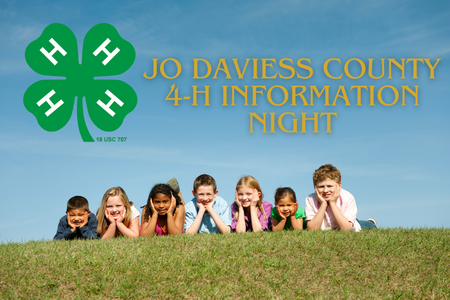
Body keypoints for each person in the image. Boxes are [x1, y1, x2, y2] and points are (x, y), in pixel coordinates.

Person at [305, 164, 377, 231]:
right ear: (315, 187)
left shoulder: (348, 197)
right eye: (321, 187)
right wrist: (323, 204)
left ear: (339, 185)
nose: (325, 190)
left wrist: (332, 203)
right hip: (338, 222)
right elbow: (312, 229)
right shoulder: (310, 199)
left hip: (350, 222)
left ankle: (370, 222)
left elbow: (346, 229)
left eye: (329, 186)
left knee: (366, 225)